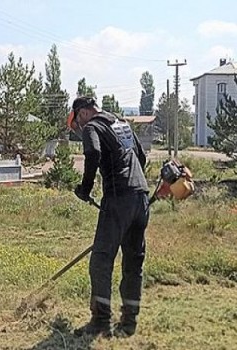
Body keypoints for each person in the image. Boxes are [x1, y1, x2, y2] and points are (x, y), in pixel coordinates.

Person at [68, 96, 149, 338]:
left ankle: (101, 320)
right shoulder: (122, 123)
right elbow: (141, 156)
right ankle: (129, 321)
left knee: (101, 260)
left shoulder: (92, 126)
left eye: (78, 123)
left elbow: (92, 153)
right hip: (141, 197)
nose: (80, 128)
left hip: (118, 199)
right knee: (133, 262)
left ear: (82, 113)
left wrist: (85, 188)